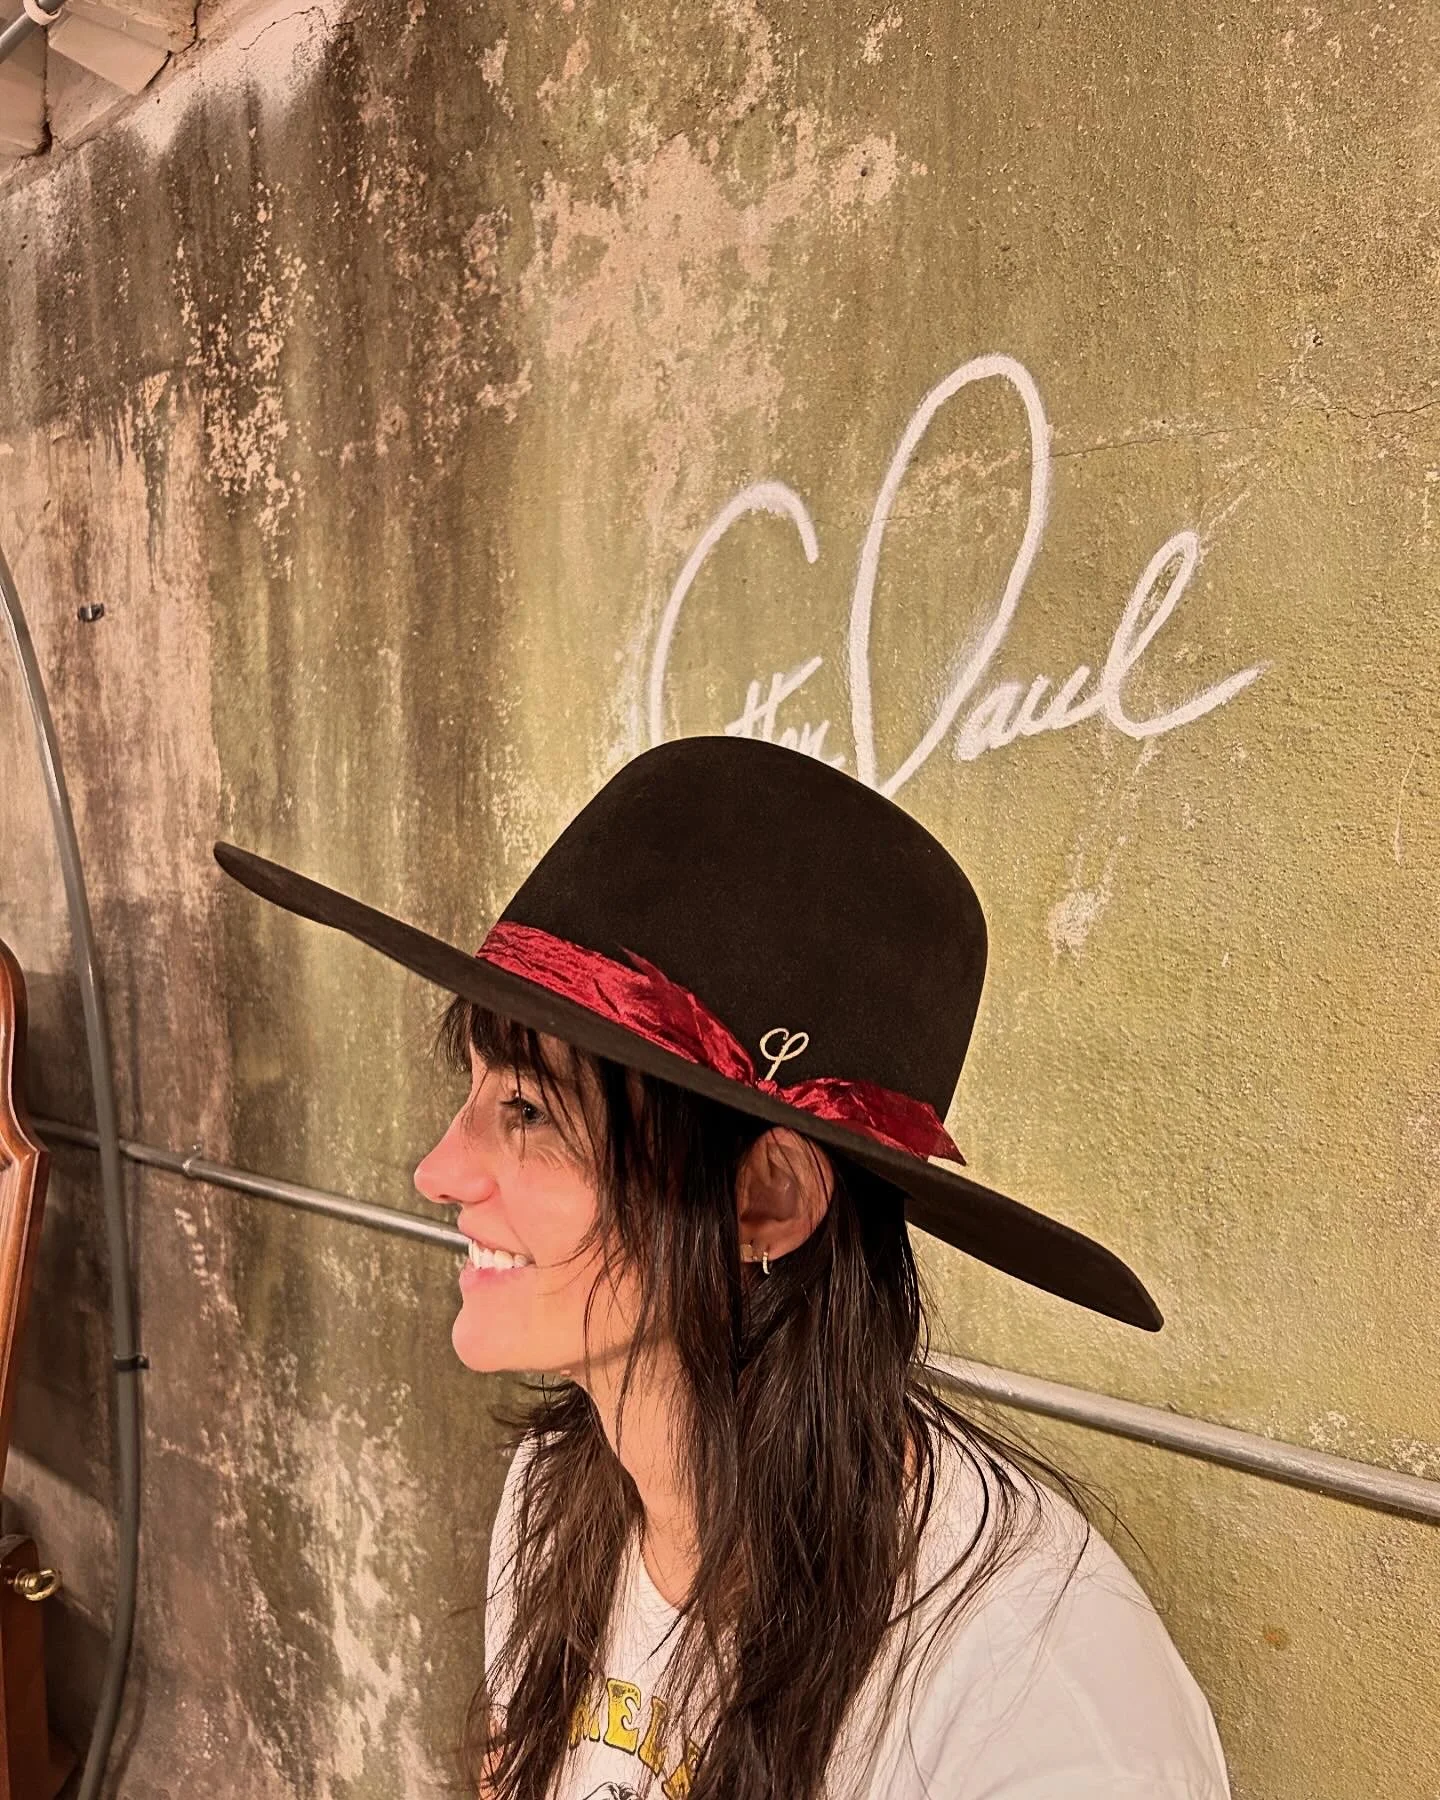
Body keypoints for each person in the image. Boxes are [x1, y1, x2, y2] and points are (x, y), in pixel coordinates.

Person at [214, 734, 1233, 1800]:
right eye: (472, 1090)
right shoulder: (563, 1492)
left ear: (766, 1199)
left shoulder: (1035, 1693)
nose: (437, 1169)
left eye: (525, 1111)